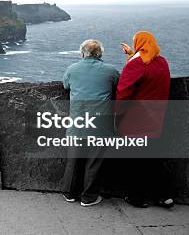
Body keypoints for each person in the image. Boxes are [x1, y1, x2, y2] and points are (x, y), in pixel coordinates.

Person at [117, 31, 174, 208]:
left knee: (134, 161)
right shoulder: (162, 61)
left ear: (139, 44)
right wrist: (133, 54)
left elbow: (123, 91)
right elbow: (146, 67)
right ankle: (164, 196)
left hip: (136, 119)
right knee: (153, 158)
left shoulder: (137, 63)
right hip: (156, 117)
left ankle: (137, 198)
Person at [61, 39, 119, 207]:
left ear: (82, 53)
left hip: (78, 122)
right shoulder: (111, 71)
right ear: (100, 53)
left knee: (74, 160)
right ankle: (88, 197)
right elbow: (118, 86)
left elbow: (66, 86)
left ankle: (70, 193)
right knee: (94, 162)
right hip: (100, 124)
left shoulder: (72, 69)